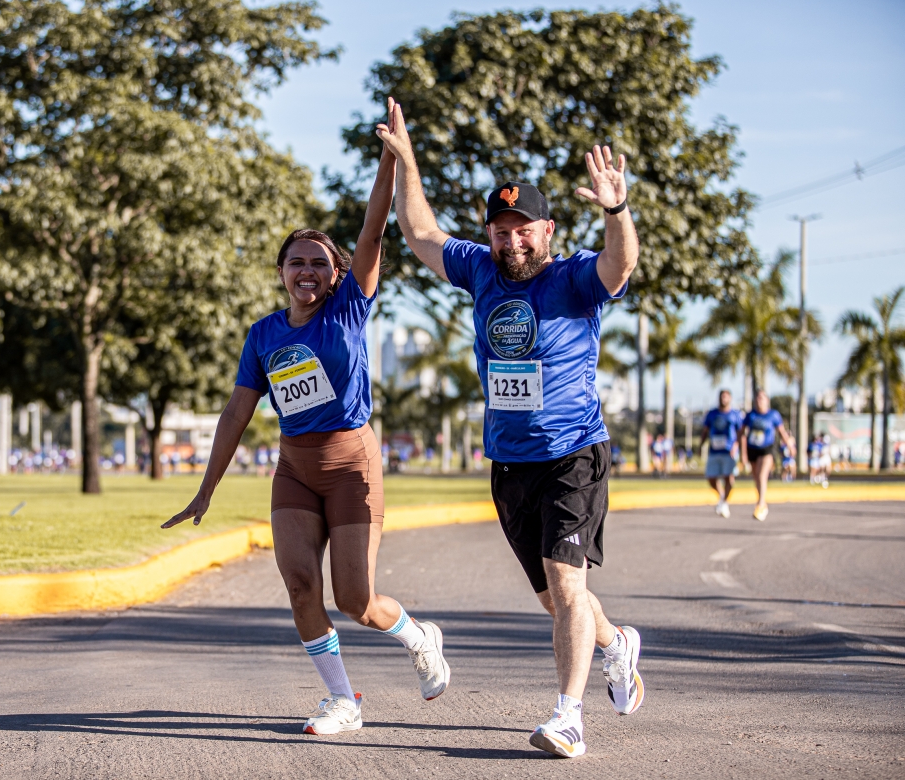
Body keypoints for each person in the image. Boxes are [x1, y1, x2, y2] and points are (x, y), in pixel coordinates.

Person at [163, 99, 449, 736]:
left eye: (320, 262)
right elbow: (237, 412)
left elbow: (372, 232)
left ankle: (417, 635)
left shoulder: (348, 309)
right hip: (294, 469)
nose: (308, 271)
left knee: (355, 600)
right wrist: (205, 489)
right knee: (299, 586)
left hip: (351, 466)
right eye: (297, 262)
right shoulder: (263, 334)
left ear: (337, 274)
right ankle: (343, 700)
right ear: (281, 274)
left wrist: (392, 159)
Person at [377, 102, 643, 759]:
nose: (512, 242)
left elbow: (620, 266)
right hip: (508, 462)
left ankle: (568, 717)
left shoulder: (573, 278)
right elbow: (419, 232)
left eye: (524, 231)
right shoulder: (480, 270)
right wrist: (406, 161)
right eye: (501, 231)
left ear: (547, 230)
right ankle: (616, 644)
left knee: (567, 584)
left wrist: (616, 210)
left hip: (573, 453)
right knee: (558, 600)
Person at [739, 390, 795, 521]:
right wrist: (743, 453)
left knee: (762, 475)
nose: (759, 400)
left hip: (767, 449)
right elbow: (742, 434)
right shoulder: (750, 415)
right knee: (756, 478)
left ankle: (760, 504)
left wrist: (789, 445)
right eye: (757, 398)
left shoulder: (773, 415)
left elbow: (781, 431)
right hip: (752, 448)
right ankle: (762, 503)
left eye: (762, 398)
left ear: (767, 401)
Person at [701, 390, 745, 518]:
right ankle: (722, 497)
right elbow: (705, 430)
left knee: (729, 478)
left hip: (729, 451)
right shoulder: (712, 414)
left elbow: (740, 434)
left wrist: (737, 447)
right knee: (711, 477)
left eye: (726, 397)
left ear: (730, 398)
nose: (723, 399)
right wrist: (701, 444)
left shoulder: (735, 414)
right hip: (714, 451)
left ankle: (724, 502)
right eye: (721, 397)